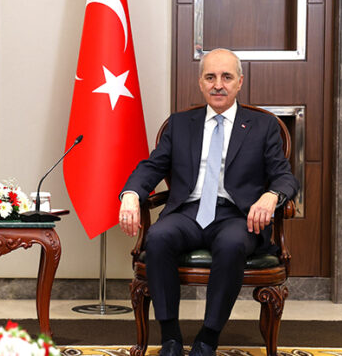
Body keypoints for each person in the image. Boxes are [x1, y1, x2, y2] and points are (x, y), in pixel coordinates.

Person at [118, 48, 299, 356]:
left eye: (226, 77)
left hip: (237, 216)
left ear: (240, 82)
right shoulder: (180, 124)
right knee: (158, 237)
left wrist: (271, 196)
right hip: (188, 212)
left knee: (232, 244)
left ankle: (207, 339)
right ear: (200, 83)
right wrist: (131, 194)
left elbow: (285, 177)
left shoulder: (262, 126)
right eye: (210, 77)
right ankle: (171, 338)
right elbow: (151, 167)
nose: (218, 85)